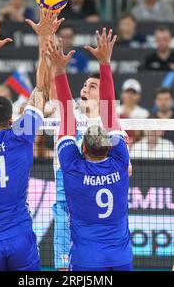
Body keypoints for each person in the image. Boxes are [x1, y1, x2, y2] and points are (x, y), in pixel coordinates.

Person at [0, 10, 59, 271]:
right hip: (20, 239)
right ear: (10, 121)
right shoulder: (20, 135)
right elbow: (41, 90)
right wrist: (45, 38)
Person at [49, 27, 133, 271]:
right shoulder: (100, 124)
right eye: (84, 85)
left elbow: (128, 168)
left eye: (93, 86)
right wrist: (105, 63)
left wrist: (58, 68)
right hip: (69, 202)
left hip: (81, 198)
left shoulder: (99, 122)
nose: (85, 88)